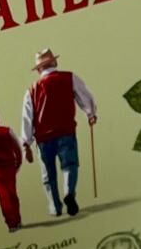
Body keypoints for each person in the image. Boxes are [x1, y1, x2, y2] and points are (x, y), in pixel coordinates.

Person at [21, 47, 97, 217]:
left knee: (48, 175)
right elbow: (84, 96)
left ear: (39, 69)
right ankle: (69, 193)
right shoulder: (69, 78)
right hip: (66, 131)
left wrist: (26, 143)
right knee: (70, 165)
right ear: (54, 62)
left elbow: (27, 117)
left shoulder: (32, 90)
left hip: (43, 138)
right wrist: (91, 114)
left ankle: (55, 207)